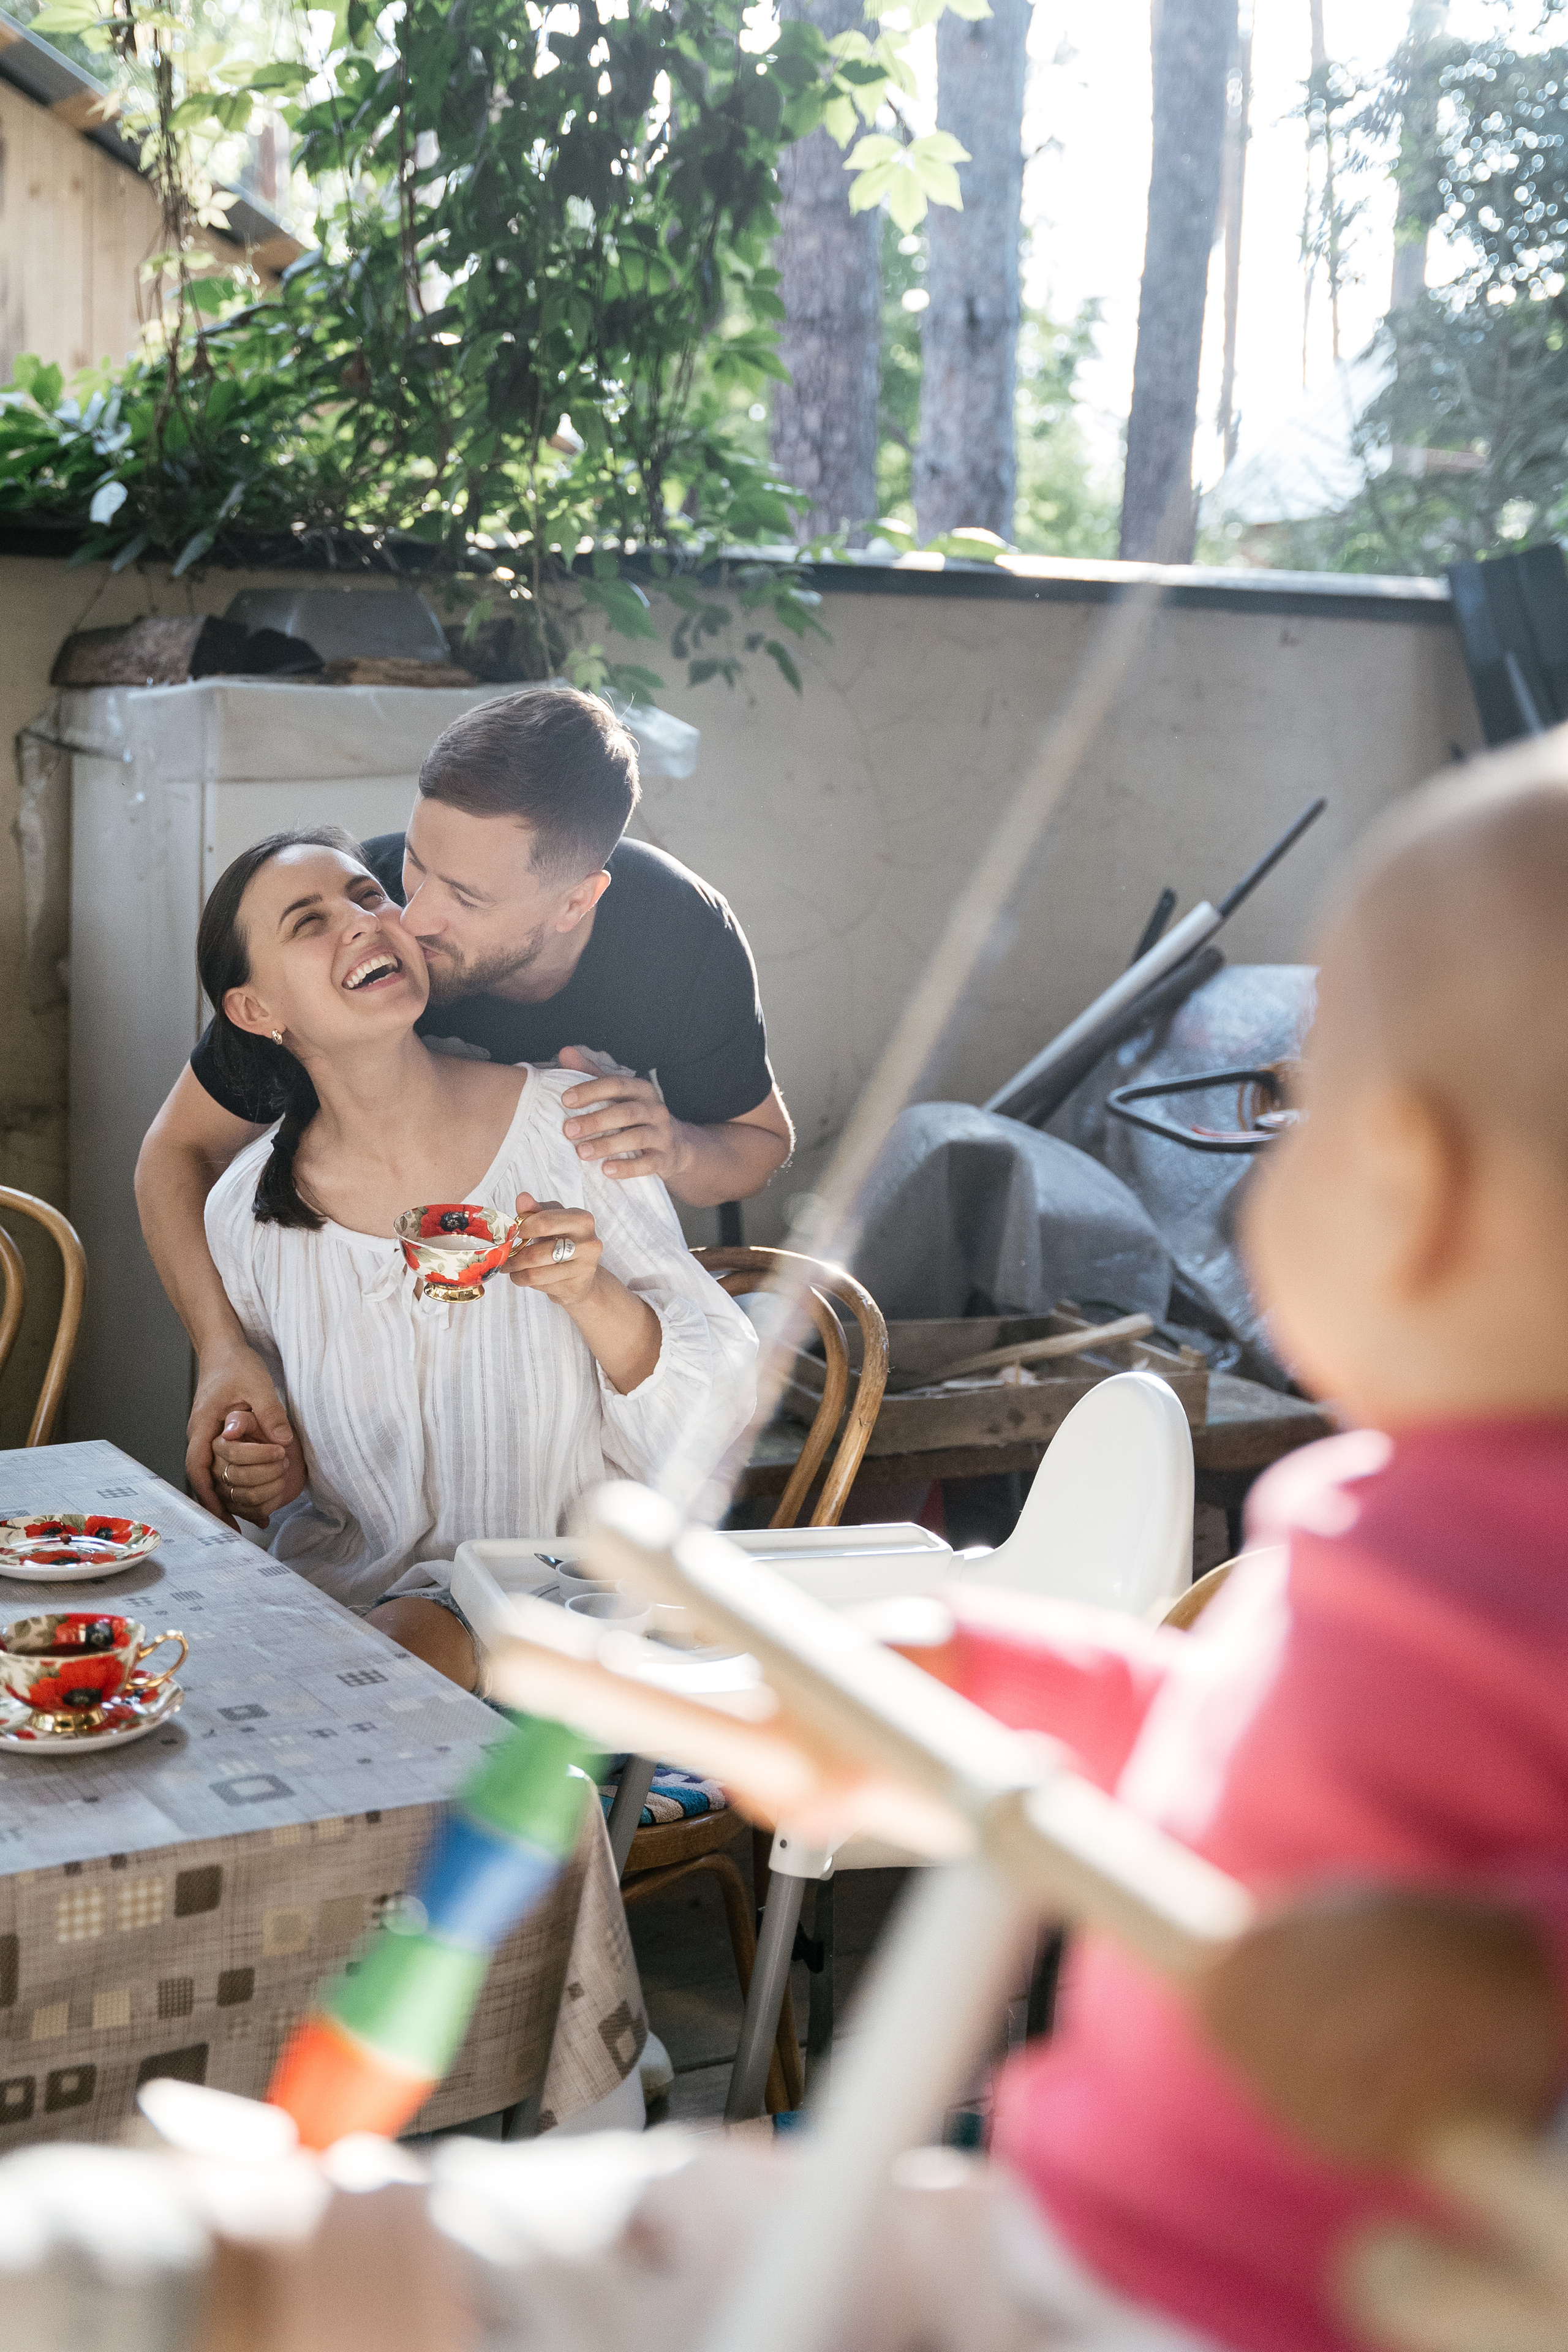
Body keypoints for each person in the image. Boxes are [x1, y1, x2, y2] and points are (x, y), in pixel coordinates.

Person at [420, 741, 1568, 2352]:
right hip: (1087, 2223)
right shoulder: (1374, 1497)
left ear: (1415, 1181)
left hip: (1258, 2308)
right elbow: (1232, 1755)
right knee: (600, 2233)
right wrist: (972, 1670)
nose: (1264, 1157)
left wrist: (1499, 1990)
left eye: (1288, 1107)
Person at [134, 688, 792, 1524]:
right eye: (413, 865)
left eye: (468, 899)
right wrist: (224, 1352)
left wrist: (673, 1146)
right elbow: (174, 1152)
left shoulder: (676, 942)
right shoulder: (355, 912)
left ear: (574, 902)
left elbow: (760, 1143)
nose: (411, 917)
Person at [189, 824, 758, 1689]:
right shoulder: (249, 1214)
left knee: (393, 1662)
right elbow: (287, 1484)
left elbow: (712, 1425)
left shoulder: (574, 1126)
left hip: (559, 1613)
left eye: (368, 895)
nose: (361, 921)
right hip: (339, 1617)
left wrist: (592, 1294)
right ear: (255, 1012)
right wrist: (257, 1468)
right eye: (308, 922)